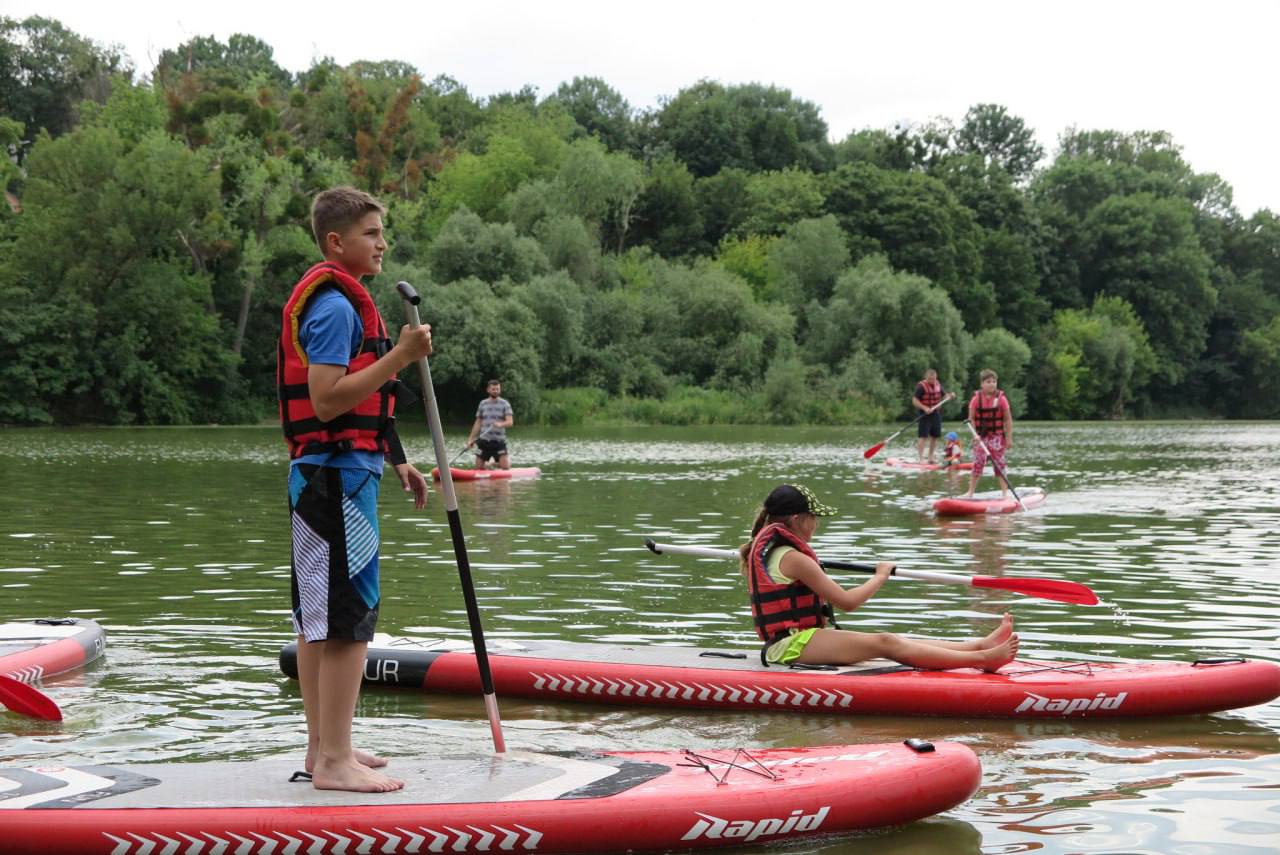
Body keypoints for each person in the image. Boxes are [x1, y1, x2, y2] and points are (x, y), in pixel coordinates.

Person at [278, 186, 433, 793]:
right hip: (335, 480)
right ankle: (335, 762)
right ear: (335, 241)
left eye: (382, 232)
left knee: (320, 618)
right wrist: (400, 356)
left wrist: (397, 459)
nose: (382, 243)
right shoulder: (337, 307)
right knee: (347, 621)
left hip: (331, 472)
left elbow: (359, 401)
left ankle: (323, 748)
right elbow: (326, 400)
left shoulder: (340, 301)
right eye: (371, 233)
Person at [737, 484, 1019, 671]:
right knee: (885, 642)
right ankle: (982, 659)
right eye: (814, 517)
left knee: (893, 640)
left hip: (799, 639)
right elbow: (848, 602)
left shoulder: (777, 552)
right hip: (789, 646)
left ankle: (978, 645)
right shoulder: (793, 558)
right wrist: (881, 576)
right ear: (797, 520)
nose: (817, 524)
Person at [962, 369, 1014, 499]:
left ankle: (1005, 493)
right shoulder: (975, 400)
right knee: (978, 462)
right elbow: (971, 419)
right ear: (982, 384)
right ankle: (970, 492)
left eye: (994, 381)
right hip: (980, 437)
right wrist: (975, 435)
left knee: (999, 464)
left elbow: (1008, 420)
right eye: (988, 382)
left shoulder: (1002, 400)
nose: (992, 384)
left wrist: (1009, 439)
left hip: (997, 437)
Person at [466, 379, 514, 469]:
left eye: (497, 389)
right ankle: (488, 464)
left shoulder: (505, 404)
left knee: (505, 467)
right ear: (488, 390)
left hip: (499, 441)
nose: (496, 391)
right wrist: (471, 439)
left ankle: (494, 463)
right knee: (478, 468)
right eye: (493, 389)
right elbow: (478, 423)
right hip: (484, 441)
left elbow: (510, 422)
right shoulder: (482, 404)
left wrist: (500, 424)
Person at [912, 369, 955, 463]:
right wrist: (924, 408)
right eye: (930, 379)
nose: (932, 381)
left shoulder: (937, 384)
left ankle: (930, 457)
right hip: (924, 414)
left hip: (935, 413)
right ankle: (921, 458)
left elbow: (944, 396)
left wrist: (950, 396)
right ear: (926, 378)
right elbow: (914, 400)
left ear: (936, 378)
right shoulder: (921, 387)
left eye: (934, 379)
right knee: (923, 436)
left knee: (934, 436)